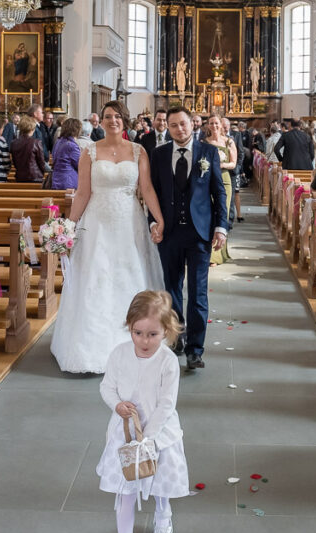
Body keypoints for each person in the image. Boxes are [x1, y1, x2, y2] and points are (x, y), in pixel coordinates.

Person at [50, 101, 167, 374]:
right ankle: (92, 347)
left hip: (130, 222)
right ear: (100, 122)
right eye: (107, 117)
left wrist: (158, 218)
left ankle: (139, 341)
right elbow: (82, 193)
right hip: (97, 223)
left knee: (130, 275)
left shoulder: (138, 151)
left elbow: (147, 189)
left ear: (125, 121)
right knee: (96, 278)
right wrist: (69, 226)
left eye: (117, 116)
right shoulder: (89, 152)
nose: (112, 120)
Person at [97, 291, 189, 533]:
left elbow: (166, 403)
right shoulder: (120, 354)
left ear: (166, 331)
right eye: (138, 333)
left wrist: (147, 439)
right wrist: (117, 405)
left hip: (158, 434)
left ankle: (163, 511)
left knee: (158, 479)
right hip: (125, 435)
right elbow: (107, 387)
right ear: (129, 328)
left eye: (153, 334)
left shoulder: (167, 361)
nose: (145, 341)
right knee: (125, 491)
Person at [149, 107, 228, 370]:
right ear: (167, 128)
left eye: (183, 124)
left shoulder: (209, 153)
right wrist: (153, 222)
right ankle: (176, 336)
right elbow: (153, 194)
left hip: (199, 233)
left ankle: (195, 349)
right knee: (171, 290)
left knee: (197, 292)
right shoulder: (159, 155)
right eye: (173, 125)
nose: (179, 129)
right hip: (169, 232)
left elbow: (219, 193)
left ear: (192, 124)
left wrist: (221, 227)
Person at [200, 116, 235, 266]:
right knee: (208, 215)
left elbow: (233, 163)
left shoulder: (229, 141)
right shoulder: (203, 143)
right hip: (208, 181)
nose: (214, 125)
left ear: (221, 125)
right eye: (211, 123)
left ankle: (217, 255)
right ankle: (206, 252)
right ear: (208, 125)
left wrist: (221, 165)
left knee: (222, 213)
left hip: (224, 180)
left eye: (216, 123)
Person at [10, 115, 48, 183]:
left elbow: (15, 162)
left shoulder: (14, 143)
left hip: (20, 177)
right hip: (35, 177)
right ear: (32, 129)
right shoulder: (36, 142)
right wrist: (42, 174)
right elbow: (41, 162)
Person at [50, 117, 83, 190]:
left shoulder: (59, 141)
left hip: (57, 179)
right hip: (68, 181)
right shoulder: (71, 145)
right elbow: (80, 165)